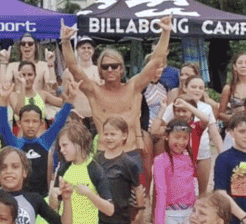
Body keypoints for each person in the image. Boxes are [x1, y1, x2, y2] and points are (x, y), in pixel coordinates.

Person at [60, 17, 172, 155]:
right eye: (105, 67)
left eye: (114, 66)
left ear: (121, 69)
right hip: (104, 154)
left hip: (131, 151)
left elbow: (155, 62)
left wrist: (166, 33)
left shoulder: (133, 87)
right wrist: (65, 41)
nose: (110, 70)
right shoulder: (94, 91)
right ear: (100, 71)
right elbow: (73, 68)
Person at [51, 123, 114, 224]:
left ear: (79, 143)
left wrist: (89, 194)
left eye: (65, 145)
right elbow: (53, 207)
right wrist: (53, 194)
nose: (62, 150)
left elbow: (110, 210)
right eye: (60, 146)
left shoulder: (94, 169)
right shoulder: (63, 168)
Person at [0, 80, 77, 195]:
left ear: (41, 123)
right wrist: (3, 99)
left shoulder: (45, 141)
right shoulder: (14, 144)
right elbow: (3, 126)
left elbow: (60, 121)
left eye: (34, 121)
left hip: (42, 198)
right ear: (19, 123)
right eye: (26, 121)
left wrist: (71, 97)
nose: (30, 125)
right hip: (19, 198)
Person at [95, 117, 144, 224]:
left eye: (113, 134)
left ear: (124, 136)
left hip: (120, 216)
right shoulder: (97, 159)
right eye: (106, 133)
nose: (108, 138)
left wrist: (140, 211)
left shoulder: (129, 163)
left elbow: (138, 189)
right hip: (99, 215)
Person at [157, 75, 221, 193]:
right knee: (179, 188)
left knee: (202, 191)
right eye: (194, 87)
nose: (197, 90)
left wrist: (222, 153)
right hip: (180, 155)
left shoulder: (206, 108)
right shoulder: (176, 105)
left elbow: (213, 131)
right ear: (185, 88)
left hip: (202, 153)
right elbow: (161, 127)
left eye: (200, 88)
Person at [0, 33, 57, 98]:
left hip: (38, 104)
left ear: (36, 46)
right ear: (20, 47)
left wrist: (50, 65)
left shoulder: (44, 66)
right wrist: (3, 62)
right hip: (19, 103)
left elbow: (52, 90)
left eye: (30, 44)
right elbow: (3, 88)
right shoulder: (12, 66)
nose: (26, 46)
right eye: (23, 44)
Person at [61, 35, 101, 122]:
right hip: (75, 118)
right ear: (78, 50)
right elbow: (63, 96)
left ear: (93, 51)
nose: (86, 50)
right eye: (83, 48)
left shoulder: (99, 71)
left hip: (95, 118)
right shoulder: (68, 72)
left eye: (89, 48)